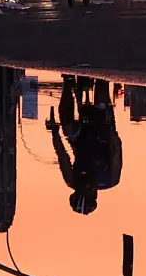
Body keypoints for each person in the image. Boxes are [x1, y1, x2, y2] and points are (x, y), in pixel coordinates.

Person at [48, 75, 122, 215]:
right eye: (89, 190)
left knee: (67, 127)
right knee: (101, 90)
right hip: (103, 136)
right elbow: (116, 153)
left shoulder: (71, 180)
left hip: (81, 140)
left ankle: (68, 83)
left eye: (82, 188)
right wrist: (113, 134)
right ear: (95, 194)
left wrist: (54, 132)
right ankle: (101, 75)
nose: (87, 185)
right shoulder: (111, 179)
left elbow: (62, 156)